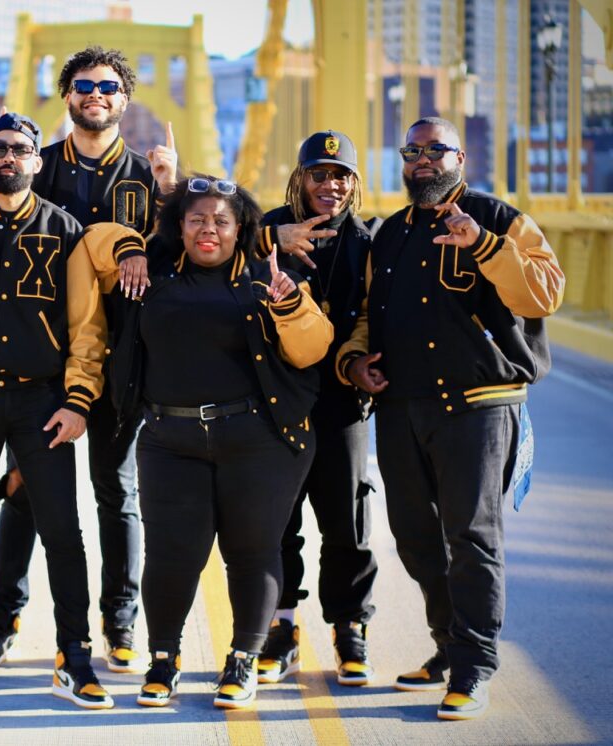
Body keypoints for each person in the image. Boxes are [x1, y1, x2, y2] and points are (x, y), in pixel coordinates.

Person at [0, 113, 147, 709]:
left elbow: (86, 327)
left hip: (41, 400)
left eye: (20, 150)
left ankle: (75, 658)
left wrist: (78, 400)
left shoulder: (65, 230)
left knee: (63, 531)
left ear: (39, 162)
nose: (9, 157)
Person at [338, 117, 565, 720]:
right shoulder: (389, 233)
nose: (423, 160)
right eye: (413, 150)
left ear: (460, 158)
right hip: (402, 407)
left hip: (479, 405)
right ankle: (449, 642)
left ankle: (474, 666)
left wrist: (484, 246)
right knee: (415, 536)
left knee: (471, 536)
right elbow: (369, 315)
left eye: (436, 150)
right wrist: (355, 361)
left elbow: (544, 293)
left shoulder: (499, 219)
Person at [0, 45, 177, 675]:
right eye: (84, 85)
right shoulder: (30, 165)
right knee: (24, 490)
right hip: (40, 357)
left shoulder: (151, 177)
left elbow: (197, 247)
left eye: (108, 87)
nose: (96, 95)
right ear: (67, 96)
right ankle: (2, 618)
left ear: (125, 99)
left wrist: (170, 198)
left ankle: (120, 621)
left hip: (122, 359)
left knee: (117, 491)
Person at [109, 176, 333, 709]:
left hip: (258, 439)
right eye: (196, 219)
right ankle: (163, 660)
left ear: (241, 229)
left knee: (252, 552)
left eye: (221, 221)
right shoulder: (149, 272)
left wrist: (289, 304)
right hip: (170, 439)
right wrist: (128, 248)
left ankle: (243, 660)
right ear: (179, 227)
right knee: (171, 555)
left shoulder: (270, 274)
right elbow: (93, 243)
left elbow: (313, 349)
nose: (208, 229)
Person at [254, 131, 379, 687]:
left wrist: (358, 361)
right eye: (319, 174)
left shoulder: (369, 241)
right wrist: (268, 240)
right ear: (299, 178)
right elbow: (209, 249)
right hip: (275, 400)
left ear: (354, 183)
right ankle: (281, 628)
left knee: (347, 520)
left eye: (342, 175)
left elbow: (375, 314)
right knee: (277, 521)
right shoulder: (266, 229)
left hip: (339, 400)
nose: (331, 185)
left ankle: (350, 625)